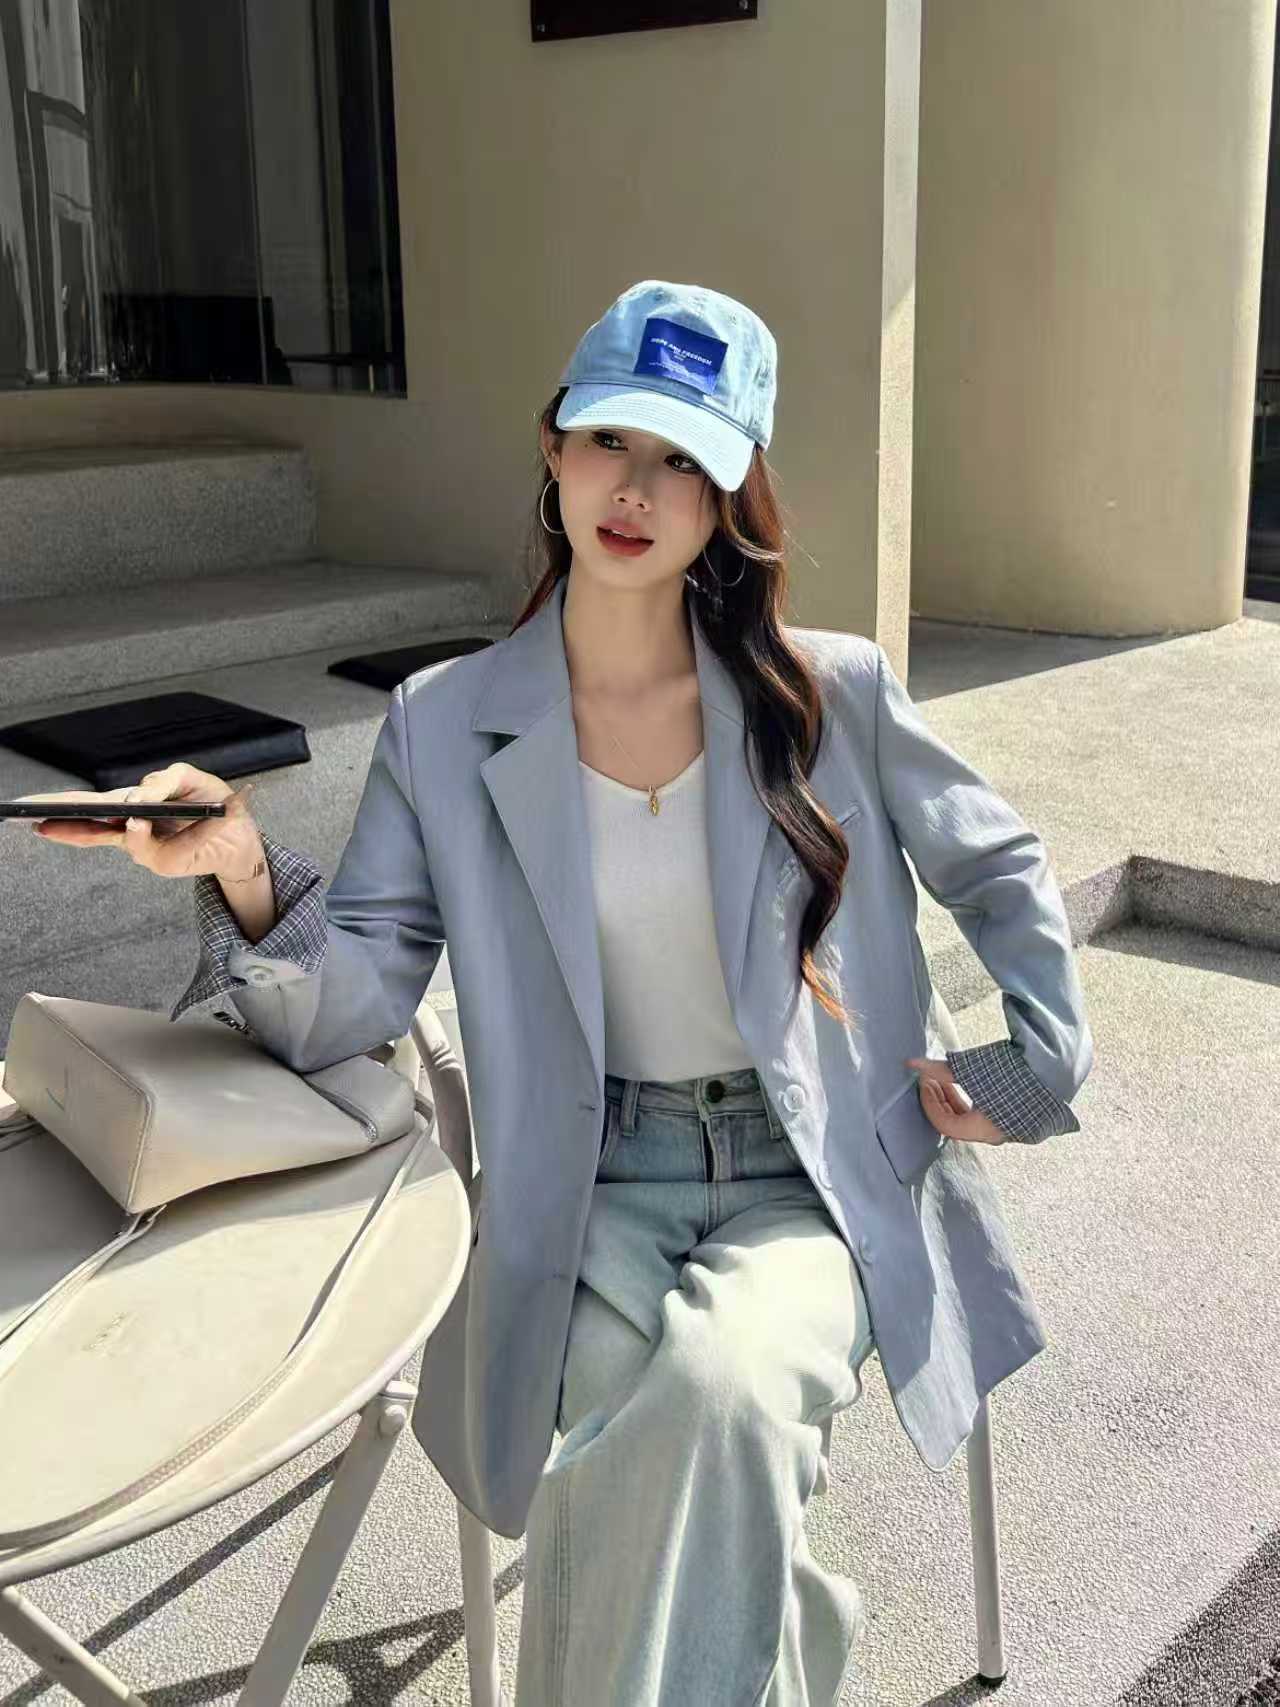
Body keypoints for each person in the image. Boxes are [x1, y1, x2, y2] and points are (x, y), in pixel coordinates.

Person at [15, 279, 1092, 1705]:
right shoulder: (446, 721)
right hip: (586, 1186)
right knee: (674, 1456)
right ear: (555, 445)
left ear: (727, 499)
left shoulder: (830, 694)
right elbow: (361, 992)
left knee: (716, 1400)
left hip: (810, 1176)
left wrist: (1029, 1070)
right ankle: (791, 1639)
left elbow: (1000, 864)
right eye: (610, 442)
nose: (635, 490)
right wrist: (240, 867)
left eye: (682, 462)